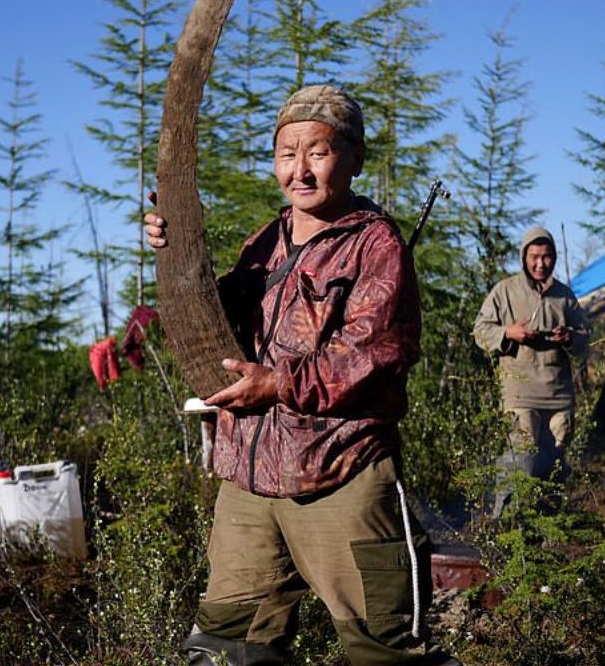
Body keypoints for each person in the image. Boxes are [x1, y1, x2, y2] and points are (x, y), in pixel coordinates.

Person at [145, 85, 459, 666]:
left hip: (342, 472)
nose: (300, 170)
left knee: (383, 651)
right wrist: (173, 256)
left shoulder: (375, 244)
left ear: (354, 158)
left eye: (317, 152)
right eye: (287, 153)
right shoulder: (264, 241)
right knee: (225, 649)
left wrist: (279, 383)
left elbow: (375, 353)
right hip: (248, 479)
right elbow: (222, 329)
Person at [472, 227, 589, 518]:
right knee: (520, 460)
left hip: (559, 397)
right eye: (535, 257)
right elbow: (480, 331)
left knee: (554, 464)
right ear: (524, 257)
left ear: (555, 258)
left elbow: (587, 339)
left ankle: (545, 531)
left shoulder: (565, 296)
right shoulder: (505, 291)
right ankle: (506, 526)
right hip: (520, 394)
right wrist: (509, 332)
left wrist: (570, 337)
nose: (541, 264)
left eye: (547, 257)